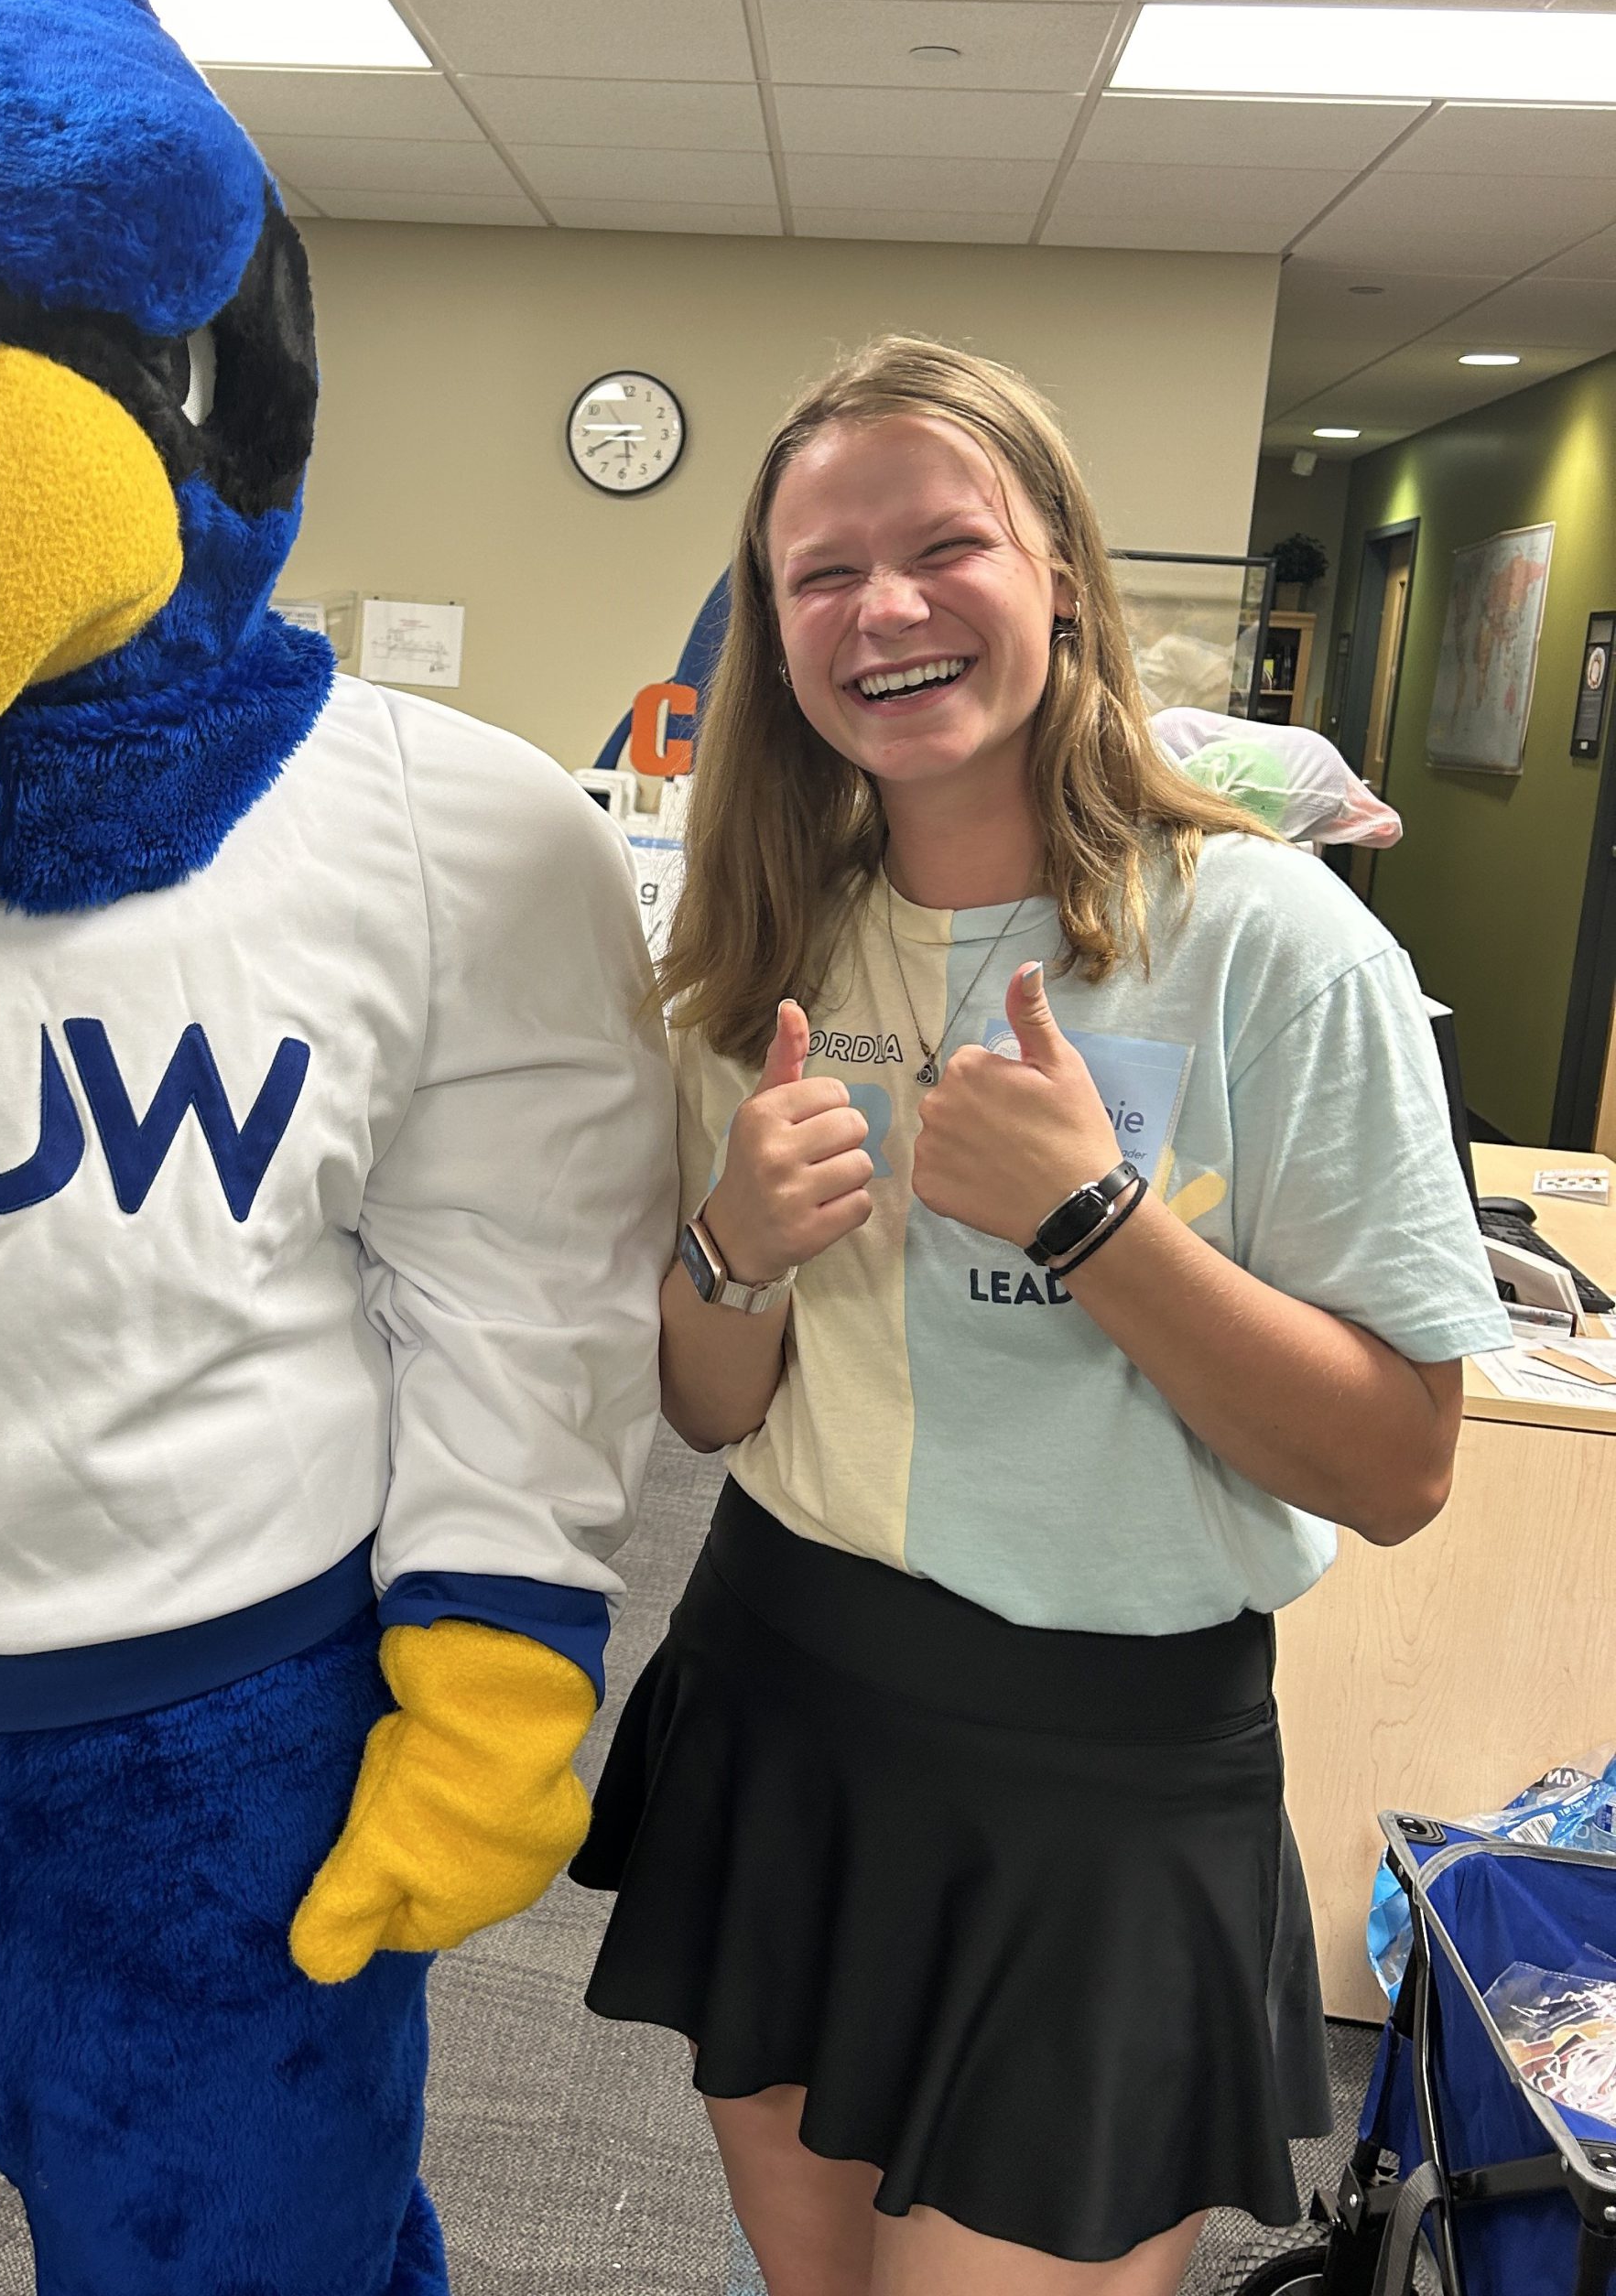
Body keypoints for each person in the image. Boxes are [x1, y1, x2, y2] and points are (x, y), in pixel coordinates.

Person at [569, 336, 1511, 2295]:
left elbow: (1400, 1464)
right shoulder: (758, 947)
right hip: (784, 1695)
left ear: (1057, 570)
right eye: (819, 572)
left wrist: (1094, 1222)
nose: (882, 607)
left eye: (941, 545)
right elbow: (711, 1406)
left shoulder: (1268, 940)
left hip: (1097, 1775)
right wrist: (734, 1237)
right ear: (772, 624)